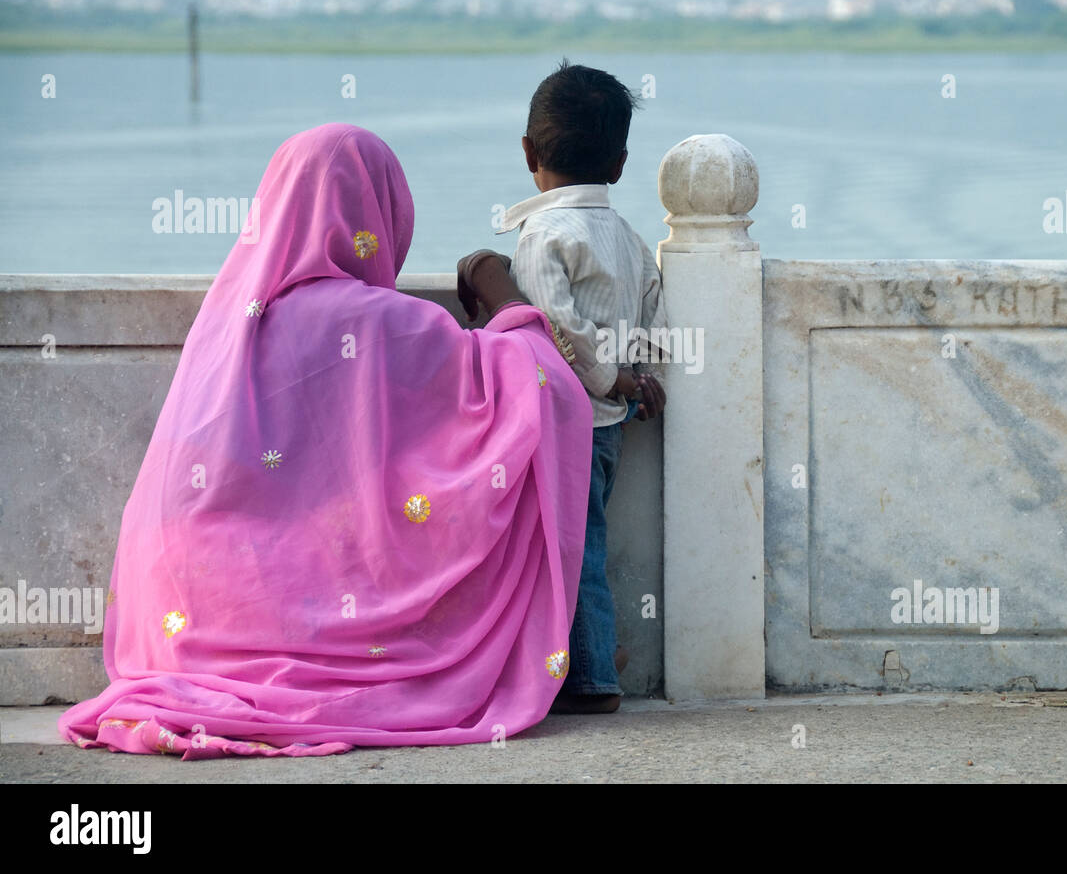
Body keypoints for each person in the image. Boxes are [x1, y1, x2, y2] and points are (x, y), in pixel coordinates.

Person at [57, 123, 593, 757]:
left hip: (176, 612)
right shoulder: (384, 323)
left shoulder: (229, 323)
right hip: (284, 617)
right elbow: (538, 382)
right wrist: (497, 286)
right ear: (380, 211)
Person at [495, 60, 669, 714]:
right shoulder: (627, 238)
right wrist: (642, 377)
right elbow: (657, 316)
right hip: (610, 425)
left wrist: (613, 377)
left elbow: (554, 330)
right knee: (582, 541)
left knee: (574, 550)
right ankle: (579, 664)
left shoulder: (543, 234)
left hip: (570, 422)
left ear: (529, 152)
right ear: (620, 164)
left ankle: (593, 676)